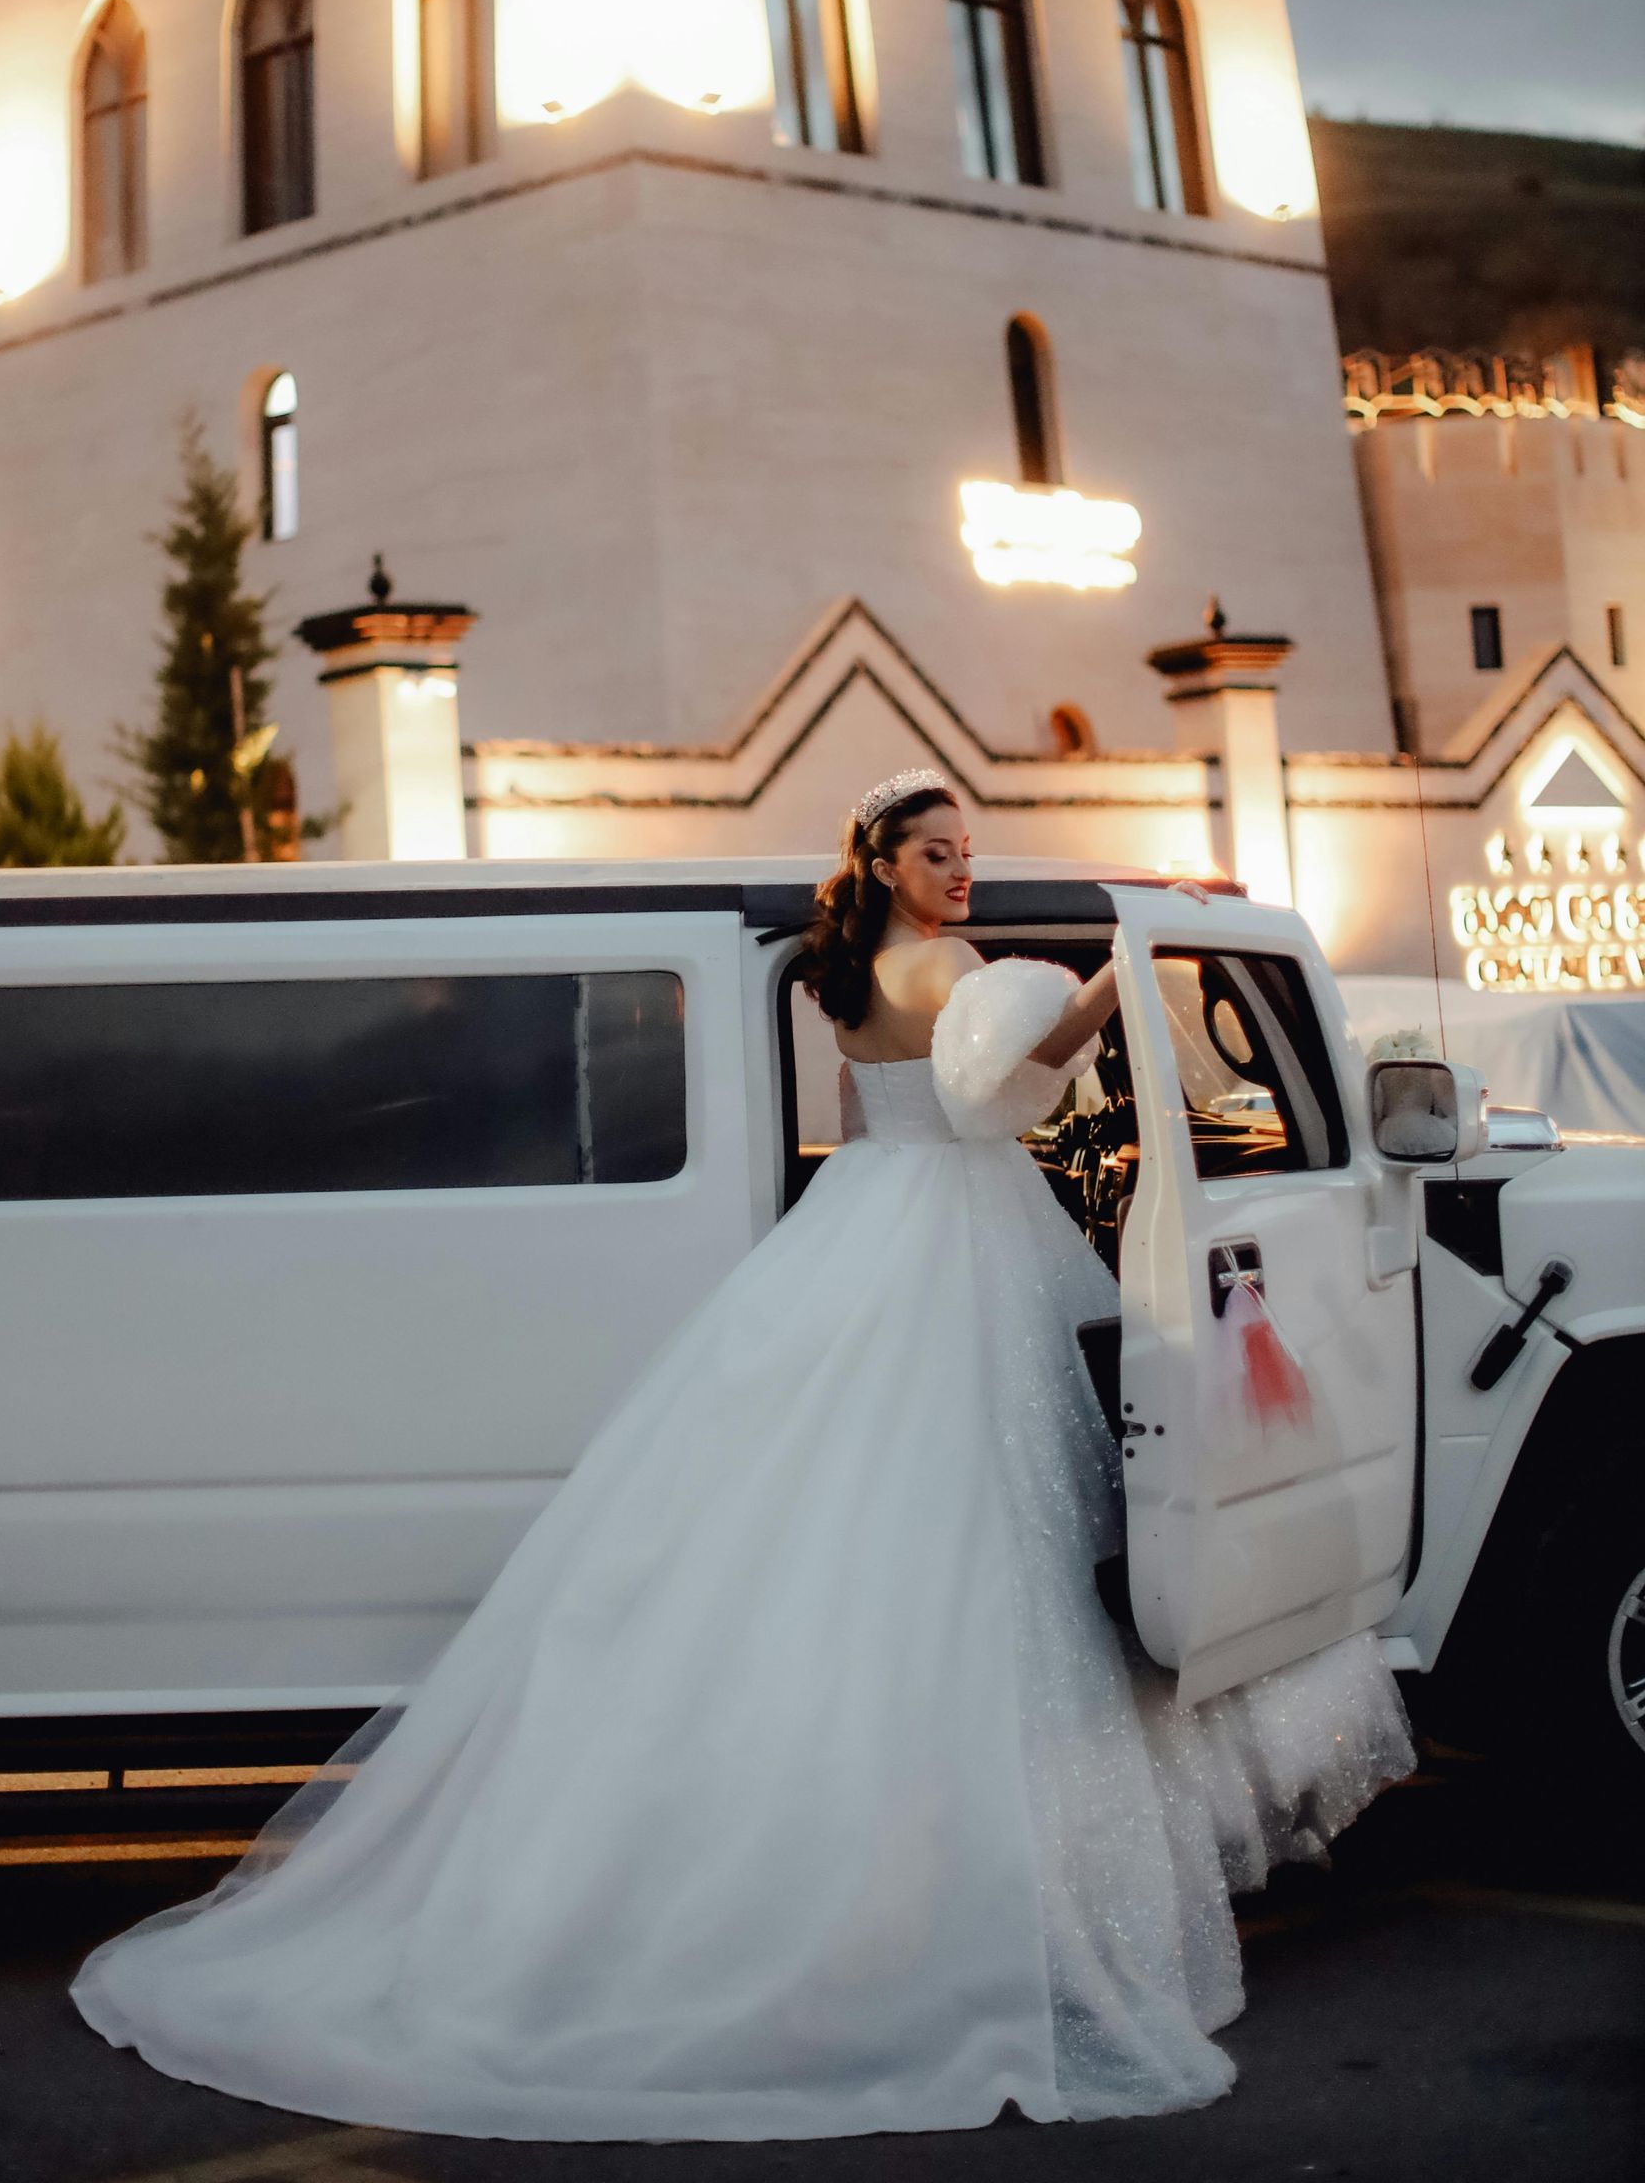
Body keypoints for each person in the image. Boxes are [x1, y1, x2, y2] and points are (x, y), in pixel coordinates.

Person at [71, 771, 1417, 2141]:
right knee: (1010, 1544)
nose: (962, 870)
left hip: (860, 1231)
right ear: (888, 863)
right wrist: (1114, 982)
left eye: (969, 851)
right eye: (938, 852)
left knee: (829, 1527)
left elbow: (924, 1098)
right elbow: (994, 1108)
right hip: (961, 1238)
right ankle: (970, 1895)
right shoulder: (947, 962)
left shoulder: (839, 975)